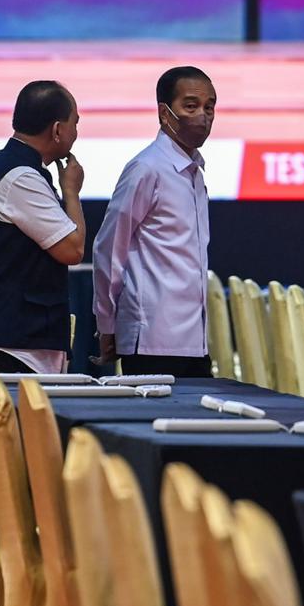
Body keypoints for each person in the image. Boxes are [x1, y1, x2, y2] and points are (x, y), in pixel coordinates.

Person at [0, 81, 85, 374]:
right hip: (9, 345)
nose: (76, 133)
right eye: (75, 123)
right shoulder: (21, 177)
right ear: (57, 130)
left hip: (6, 339)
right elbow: (72, 249)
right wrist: (72, 192)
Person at [93, 66, 215, 377]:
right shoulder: (145, 169)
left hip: (194, 341)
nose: (203, 116)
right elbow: (109, 248)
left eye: (209, 107)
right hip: (151, 342)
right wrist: (107, 323)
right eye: (191, 106)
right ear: (164, 113)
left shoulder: (195, 174)